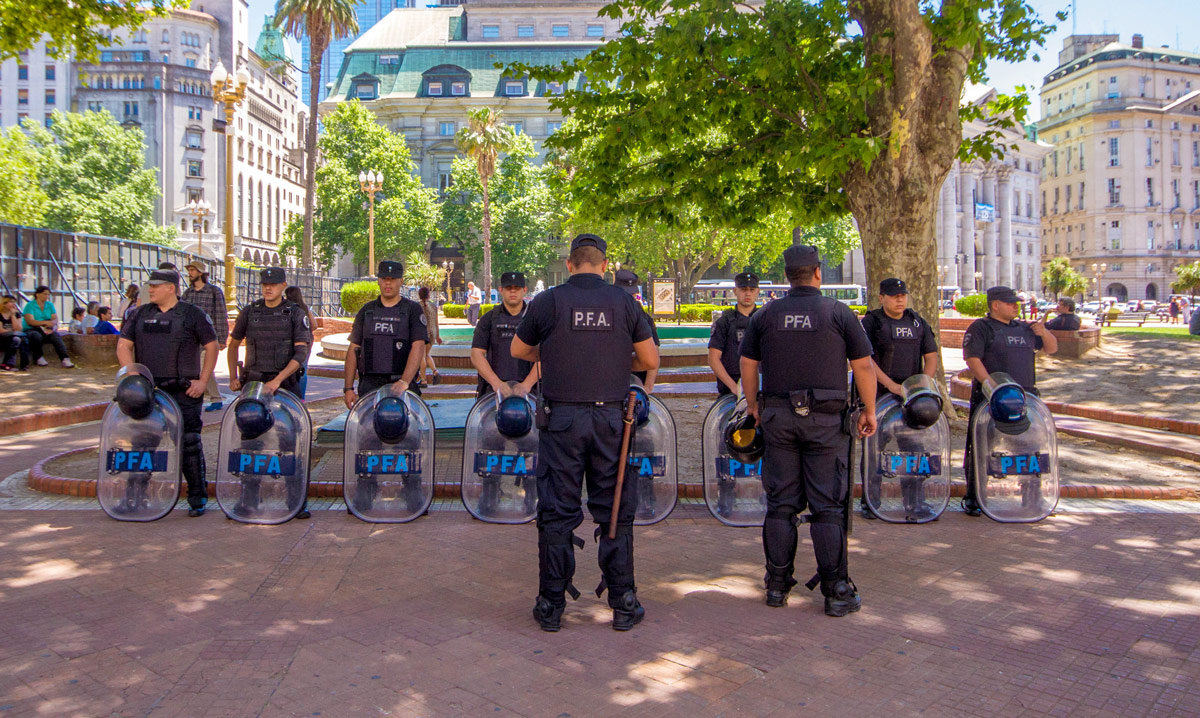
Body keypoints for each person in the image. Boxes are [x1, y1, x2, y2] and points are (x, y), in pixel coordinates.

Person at [511, 233, 660, 632]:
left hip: (562, 421)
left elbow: (518, 351)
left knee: (557, 512)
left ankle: (551, 606)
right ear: (604, 265)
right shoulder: (624, 302)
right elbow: (648, 359)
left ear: (572, 264)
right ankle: (623, 602)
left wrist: (557, 348)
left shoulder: (549, 301)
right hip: (612, 422)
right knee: (614, 509)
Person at [738, 245, 877, 616]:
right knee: (827, 507)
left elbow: (747, 364)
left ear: (787, 275)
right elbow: (863, 367)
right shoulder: (837, 313)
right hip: (826, 422)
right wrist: (870, 410)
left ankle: (777, 585)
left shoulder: (766, 315)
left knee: (781, 505)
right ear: (818, 272)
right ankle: (836, 591)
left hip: (779, 417)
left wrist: (753, 404)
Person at [117, 269, 219, 517]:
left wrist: (203, 382)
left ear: (171, 288)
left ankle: (197, 499)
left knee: (189, 443)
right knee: (141, 445)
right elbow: (123, 346)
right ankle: (134, 497)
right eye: (149, 285)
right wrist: (133, 379)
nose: (150, 289)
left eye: (156, 286)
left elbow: (212, 346)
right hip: (149, 392)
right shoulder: (140, 314)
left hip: (184, 392)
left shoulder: (192, 314)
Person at [961, 286, 1058, 516]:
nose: (1016, 306)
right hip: (991, 399)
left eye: (1017, 303)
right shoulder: (981, 328)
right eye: (1010, 303)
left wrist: (1043, 332)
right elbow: (972, 359)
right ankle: (975, 498)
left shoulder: (1026, 328)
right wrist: (990, 386)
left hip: (1025, 398)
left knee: (1031, 448)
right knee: (983, 448)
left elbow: (1052, 349)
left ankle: (1033, 497)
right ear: (995, 305)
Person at [228, 267, 314, 519]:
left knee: (290, 445)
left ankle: (295, 501)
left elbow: (301, 355)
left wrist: (277, 380)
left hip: (285, 388)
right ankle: (249, 500)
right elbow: (232, 344)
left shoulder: (295, 314)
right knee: (250, 446)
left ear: (283, 285)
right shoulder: (250, 312)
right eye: (265, 284)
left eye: (274, 284)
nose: (268, 288)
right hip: (254, 388)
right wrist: (233, 377)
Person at [858, 278, 939, 520]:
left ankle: (915, 504)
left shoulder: (917, 321)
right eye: (894, 296)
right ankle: (871, 502)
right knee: (874, 451)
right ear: (881, 297)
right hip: (880, 396)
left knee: (914, 453)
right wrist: (890, 384)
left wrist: (921, 386)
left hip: (910, 401)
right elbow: (866, 359)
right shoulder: (872, 322)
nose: (900, 299)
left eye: (903, 295)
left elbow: (932, 356)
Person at [343, 260, 428, 410]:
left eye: (393, 279)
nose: (388, 284)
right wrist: (348, 388)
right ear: (378, 281)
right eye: (384, 279)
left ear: (401, 281)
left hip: (401, 385)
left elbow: (418, 346)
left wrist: (405, 381)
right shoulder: (367, 311)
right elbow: (354, 348)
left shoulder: (412, 311)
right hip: (370, 386)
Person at [471, 271, 537, 398]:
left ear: (524, 290)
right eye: (508, 288)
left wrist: (526, 385)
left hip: (529, 392)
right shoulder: (489, 319)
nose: (513, 291)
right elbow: (476, 354)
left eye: (517, 288)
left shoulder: (536, 319)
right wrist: (497, 384)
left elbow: (546, 354)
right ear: (501, 290)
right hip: (494, 392)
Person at [182, 260, 229, 411]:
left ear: (201, 273)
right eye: (189, 270)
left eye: (193, 270)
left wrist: (222, 338)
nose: (190, 274)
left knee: (205, 368)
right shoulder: (187, 293)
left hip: (208, 338)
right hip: (190, 339)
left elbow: (221, 315)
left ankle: (216, 398)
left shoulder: (214, 292)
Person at [708, 272, 760, 396]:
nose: (748, 293)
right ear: (735, 291)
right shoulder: (724, 322)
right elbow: (713, 359)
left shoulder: (765, 320)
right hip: (731, 390)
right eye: (743, 289)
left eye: (751, 290)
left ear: (757, 291)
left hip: (760, 387)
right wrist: (733, 387)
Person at [615, 269, 659, 393]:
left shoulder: (644, 317)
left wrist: (648, 387)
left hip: (636, 383)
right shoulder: (609, 313)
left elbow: (653, 355)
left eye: (633, 295)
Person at [22, 286, 75, 368]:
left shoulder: (50, 305)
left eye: (48, 294)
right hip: (32, 328)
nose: (46, 296)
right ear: (37, 294)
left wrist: (52, 324)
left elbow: (54, 318)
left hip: (46, 328)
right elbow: (30, 321)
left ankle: (65, 358)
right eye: (44, 294)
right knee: (36, 336)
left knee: (56, 336)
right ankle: (38, 357)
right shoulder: (30, 305)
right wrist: (45, 322)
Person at [284, 286, 318, 399]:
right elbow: (314, 325)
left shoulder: (287, 308)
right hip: (307, 341)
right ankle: (301, 397)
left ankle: (290, 395)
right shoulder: (305, 308)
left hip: (291, 342)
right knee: (303, 369)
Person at [418, 287, 441, 386]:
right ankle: (435, 372)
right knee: (426, 354)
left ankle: (423, 380)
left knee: (421, 356)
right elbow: (436, 322)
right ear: (429, 295)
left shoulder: (418, 306)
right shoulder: (433, 306)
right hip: (433, 333)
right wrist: (438, 336)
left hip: (423, 333)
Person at [1, 295, 30, 371]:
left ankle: (24, 364)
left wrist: (13, 316)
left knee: (20, 339)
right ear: (4, 303)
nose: (14, 304)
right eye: (11, 302)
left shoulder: (17, 314)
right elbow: (1, 331)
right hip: (2, 338)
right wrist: (13, 331)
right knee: (18, 338)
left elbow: (19, 329)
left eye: (14, 302)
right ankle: (7, 364)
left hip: (12, 337)